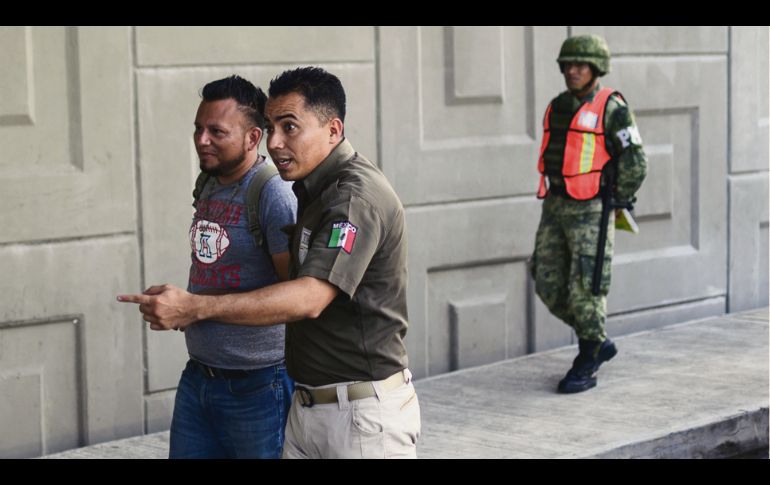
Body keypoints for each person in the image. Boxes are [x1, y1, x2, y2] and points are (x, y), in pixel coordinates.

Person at [119, 66, 421, 459]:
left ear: (333, 130)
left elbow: (307, 298)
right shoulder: (312, 187)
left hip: (357, 414)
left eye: (290, 127)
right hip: (309, 408)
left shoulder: (353, 198)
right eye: (272, 126)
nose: (275, 142)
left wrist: (193, 308)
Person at [153, 75, 297, 458]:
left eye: (216, 131)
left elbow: (294, 297)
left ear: (252, 138)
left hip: (260, 387)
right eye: (199, 129)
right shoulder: (209, 183)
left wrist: (195, 306)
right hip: (199, 377)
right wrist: (180, 302)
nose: (202, 140)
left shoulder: (273, 194)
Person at [531, 35, 647, 394]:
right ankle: (596, 337)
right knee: (546, 279)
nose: (573, 70)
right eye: (568, 64)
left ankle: (589, 353)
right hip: (556, 204)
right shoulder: (557, 105)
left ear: (596, 68)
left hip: (591, 209)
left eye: (581, 64)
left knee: (587, 286)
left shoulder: (612, 107)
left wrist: (617, 199)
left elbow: (636, 161)